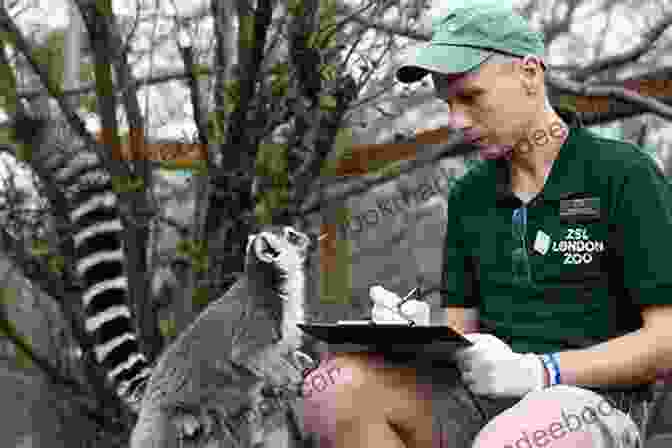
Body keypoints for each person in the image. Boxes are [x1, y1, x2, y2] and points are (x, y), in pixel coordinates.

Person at [299, 3, 672, 448]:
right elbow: (464, 338)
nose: (456, 121)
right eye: (447, 103)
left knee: (515, 438)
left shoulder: (623, 174)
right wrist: (416, 336)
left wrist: (539, 371)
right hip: (481, 400)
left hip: (594, 403)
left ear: (530, 74)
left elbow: (665, 341)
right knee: (333, 389)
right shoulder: (469, 196)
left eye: (471, 97)